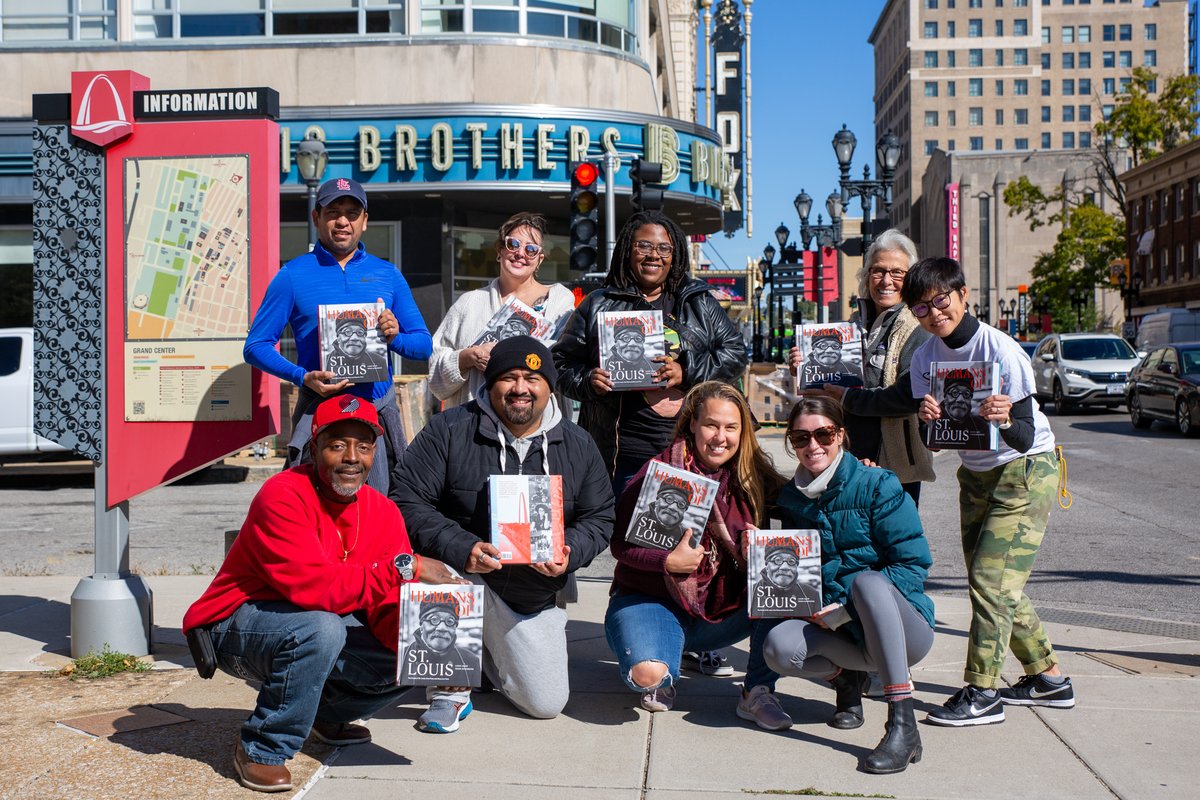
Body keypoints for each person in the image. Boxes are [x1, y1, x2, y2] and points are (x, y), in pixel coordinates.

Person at [181, 395, 458, 793]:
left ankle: (326, 714)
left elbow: (384, 602)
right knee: (321, 629)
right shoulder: (282, 494)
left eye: (363, 447)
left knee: (416, 649)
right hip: (233, 625)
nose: (351, 458)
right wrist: (406, 566)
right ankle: (262, 748)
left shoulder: (383, 511)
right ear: (314, 449)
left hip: (310, 622)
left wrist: (440, 647)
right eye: (337, 445)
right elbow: (315, 589)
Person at [554, 210, 747, 679]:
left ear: (676, 254)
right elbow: (560, 363)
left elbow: (735, 353)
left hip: (692, 454)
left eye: (664, 248)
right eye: (644, 245)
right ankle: (648, 623)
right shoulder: (598, 304)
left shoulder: (697, 302)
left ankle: (693, 632)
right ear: (627, 250)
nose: (654, 255)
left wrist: (688, 369)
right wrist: (589, 380)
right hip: (626, 452)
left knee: (698, 544)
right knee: (642, 545)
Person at [391, 336, 615, 732]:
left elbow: (600, 516)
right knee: (436, 570)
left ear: (550, 387)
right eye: (508, 377)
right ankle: (449, 690)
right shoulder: (449, 429)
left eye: (532, 379)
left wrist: (570, 550)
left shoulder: (577, 443)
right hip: (461, 576)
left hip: (530, 594)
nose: (520, 388)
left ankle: (485, 656)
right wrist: (462, 547)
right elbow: (406, 499)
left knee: (545, 703)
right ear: (490, 383)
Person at [901, 256, 1076, 727]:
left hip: (1024, 469)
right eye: (921, 308)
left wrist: (1003, 419)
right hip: (976, 475)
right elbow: (936, 442)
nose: (934, 314)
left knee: (990, 581)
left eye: (941, 300)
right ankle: (1049, 679)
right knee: (997, 584)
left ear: (962, 294)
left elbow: (1025, 433)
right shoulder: (925, 359)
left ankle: (983, 692)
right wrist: (927, 421)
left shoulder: (1001, 349)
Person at [762, 396, 935, 775]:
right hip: (845, 634)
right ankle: (847, 681)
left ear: (840, 435)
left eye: (823, 434)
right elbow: (802, 573)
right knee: (778, 647)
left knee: (868, 584)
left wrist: (846, 609)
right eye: (801, 438)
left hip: (904, 631)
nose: (813, 446)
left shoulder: (878, 484)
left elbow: (912, 565)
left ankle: (903, 725)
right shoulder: (792, 500)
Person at [604, 381, 792, 728]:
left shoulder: (752, 476)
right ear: (692, 423)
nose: (720, 437)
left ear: (742, 431)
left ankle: (757, 692)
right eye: (711, 425)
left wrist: (856, 471)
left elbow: (810, 498)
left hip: (719, 610)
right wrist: (667, 562)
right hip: (653, 600)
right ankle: (662, 658)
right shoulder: (661, 472)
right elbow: (619, 545)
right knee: (648, 674)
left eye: (731, 427)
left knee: (784, 583)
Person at [244, 177, 432, 492]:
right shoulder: (292, 275)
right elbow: (255, 346)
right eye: (333, 212)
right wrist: (302, 377)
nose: (343, 221)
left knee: (376, 509)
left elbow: (424, 346)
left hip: (374, 415)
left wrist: (395, 337)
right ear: (316, 218)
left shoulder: (388, 274)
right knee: (312, 507)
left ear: (365, 221)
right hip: (319, 412)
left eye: (352, 213)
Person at [790, 230, 933, 505]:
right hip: (848, 458)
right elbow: (829, 390)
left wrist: (848, 397)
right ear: (867, 276)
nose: (886, 281)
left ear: (911, 279)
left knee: (895, 530)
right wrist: (805, 370)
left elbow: (908, 396)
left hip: (897, 464)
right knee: (847, 527)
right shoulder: (851, 325)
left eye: (897, 273)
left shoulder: (918, 328)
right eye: (878, 271)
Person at [428, 212, 575, 408]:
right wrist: (468, 357)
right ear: (500, 251)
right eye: (513, 244)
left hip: (536, 420)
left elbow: (566, 363)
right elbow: (435, 371)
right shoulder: (468, 303)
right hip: (477, 419)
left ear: (539, 260)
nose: (520, 253)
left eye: (531, 249)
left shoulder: (560, 302)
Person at [402, 597, 477, 686]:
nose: (442, 628)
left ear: (455, 628)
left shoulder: (471, 661)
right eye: (434, 619)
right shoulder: (402, 656)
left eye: (450, 621)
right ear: (421, 626)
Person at [749, 543, 819, 618]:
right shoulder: (750, 593)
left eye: (791, 561)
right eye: (777, 560)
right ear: (767, 566)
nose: (785, 567)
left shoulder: (811, 595)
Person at [327, 312, 389, 383]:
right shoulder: (326, 362)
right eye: (347, 332)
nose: (354, 338)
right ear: (338, 338)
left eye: (360, 332)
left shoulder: (379, 362)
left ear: (364, 337)